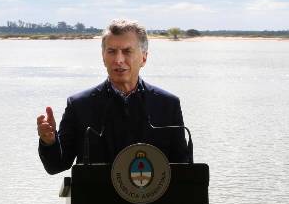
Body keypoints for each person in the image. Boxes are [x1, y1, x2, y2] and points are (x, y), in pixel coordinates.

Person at [37, 19, 190, 174]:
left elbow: (183, 170)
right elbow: (56, 165)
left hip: (154, 198)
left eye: (127, 51)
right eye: (111, 51)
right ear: (103, 57)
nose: (118, 60)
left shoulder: (167, 105)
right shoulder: (79, 106)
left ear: (144, 58)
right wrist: (49, 142)